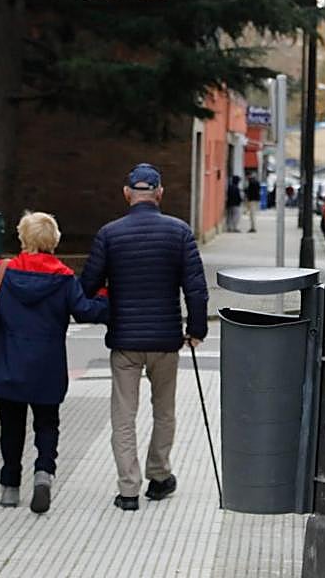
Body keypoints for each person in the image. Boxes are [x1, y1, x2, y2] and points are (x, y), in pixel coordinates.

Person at [80, 163, 208, 511]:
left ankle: (128, 490)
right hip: (166, 340)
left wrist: (102, 305)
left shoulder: (109, 234)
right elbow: (196, 288)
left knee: (124, 415)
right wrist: (196, 330)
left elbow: (87, 286)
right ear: (159, 193)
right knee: (164, 411)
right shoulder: (179, 232)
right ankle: (159, 475)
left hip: (125, 341)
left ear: (127, 194)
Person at [0, 211, 108, 514]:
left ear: (23, 238)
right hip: (48, 367)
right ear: (54, 241)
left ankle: (9, 486)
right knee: (47, 423)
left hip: (8, 365)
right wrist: (105, 294)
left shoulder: (4, 273)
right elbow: (86, 311)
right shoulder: (64, 278)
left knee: (11, 426)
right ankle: (44, 473)